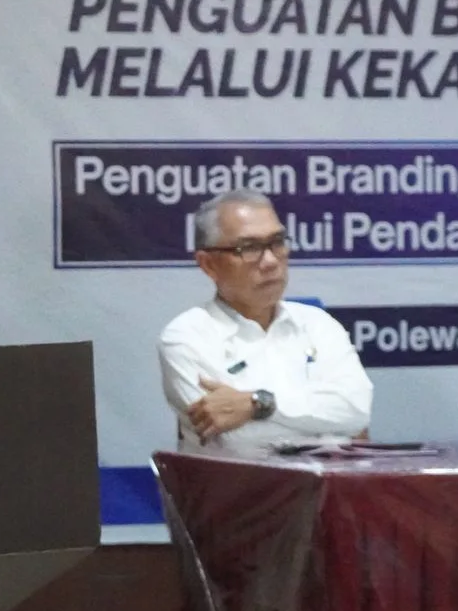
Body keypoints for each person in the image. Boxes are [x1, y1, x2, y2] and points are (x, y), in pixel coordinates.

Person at [158, 189, 372, 449]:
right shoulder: (187, 336)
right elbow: (239, 442)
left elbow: (357, 411)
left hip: (329, 476)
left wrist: (257, 404)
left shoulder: (318, 324)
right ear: (208, 264)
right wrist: (324, 422)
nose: (270, 261)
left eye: (277, 242)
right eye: (249, 248)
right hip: (239, 478)